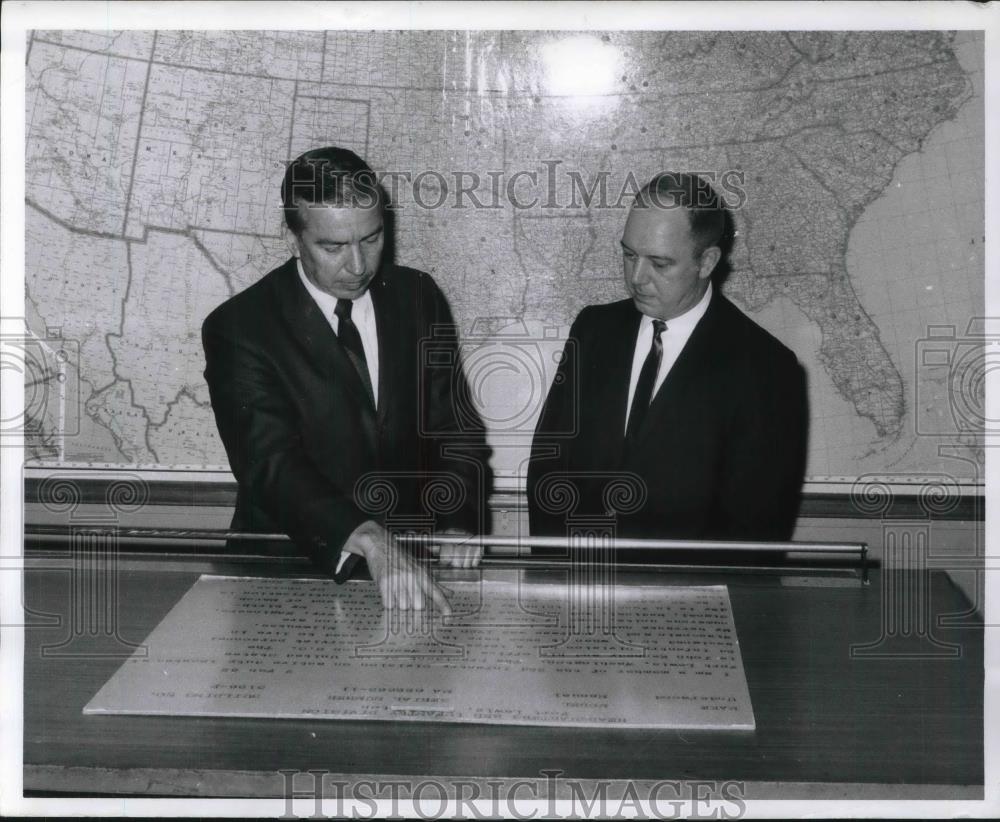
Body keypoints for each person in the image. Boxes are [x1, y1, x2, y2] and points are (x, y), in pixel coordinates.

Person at [202, 146, 491, 610]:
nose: (358, 266)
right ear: (294, 234)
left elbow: (454, 427)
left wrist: (457, 519)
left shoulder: (418, 296)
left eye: (372, 239)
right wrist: (367, 538)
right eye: (333, 247)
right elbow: (270, 463)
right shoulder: (240, 327)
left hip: (410, 568)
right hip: (289, 573)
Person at [527, 173, 808, 555]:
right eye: (629, 255)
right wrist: (554, 574)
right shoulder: (593, 329)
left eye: (659, 264)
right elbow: (548, 465)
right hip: (577, 587)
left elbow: (753, 529)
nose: (636, 278)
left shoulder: (766, 369)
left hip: (688, 603)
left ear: (707, 261)